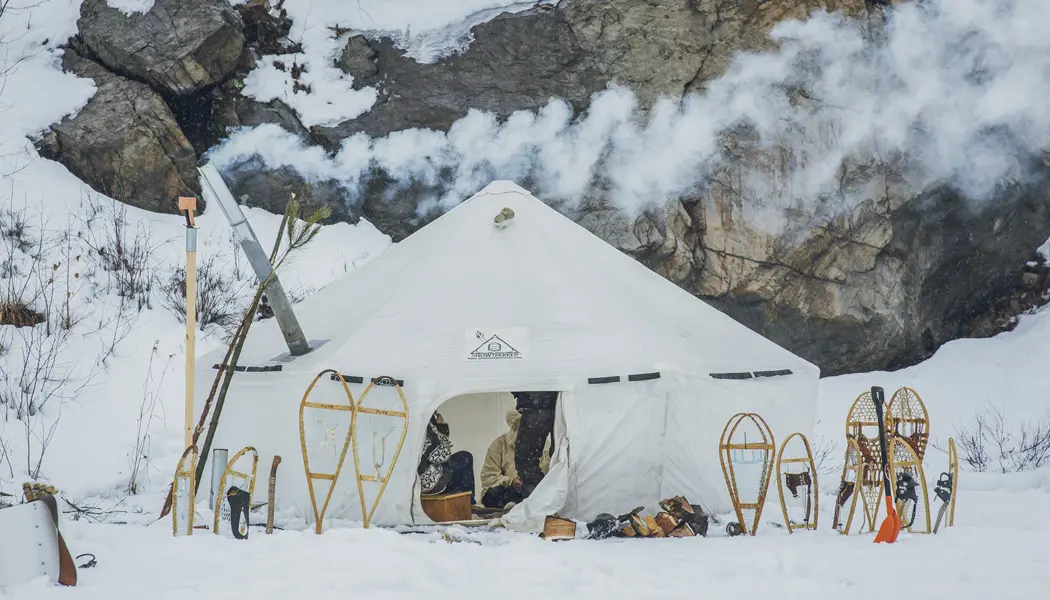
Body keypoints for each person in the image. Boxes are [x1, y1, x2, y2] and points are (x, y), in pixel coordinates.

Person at [480, 408, 551, 509]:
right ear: (514, 429)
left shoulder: (546, 445)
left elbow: (551, 474)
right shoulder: (499, 445)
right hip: (509, 492)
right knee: (492, 494)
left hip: (535, 492)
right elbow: (488, 478)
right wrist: (511, 481)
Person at [418, 412, 475, 505]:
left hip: (419, 477)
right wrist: (441, 427)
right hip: (429, 482)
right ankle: (469, 504)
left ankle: (462, 501)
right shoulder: (425, 424)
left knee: (456, 463)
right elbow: (440, 455)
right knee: (465, 457)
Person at [511, 391, 558, 498]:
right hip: (560, 400)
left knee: (526, 460)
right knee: (560, 456)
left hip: (535, 402)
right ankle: (545, 499)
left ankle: (537, 501)